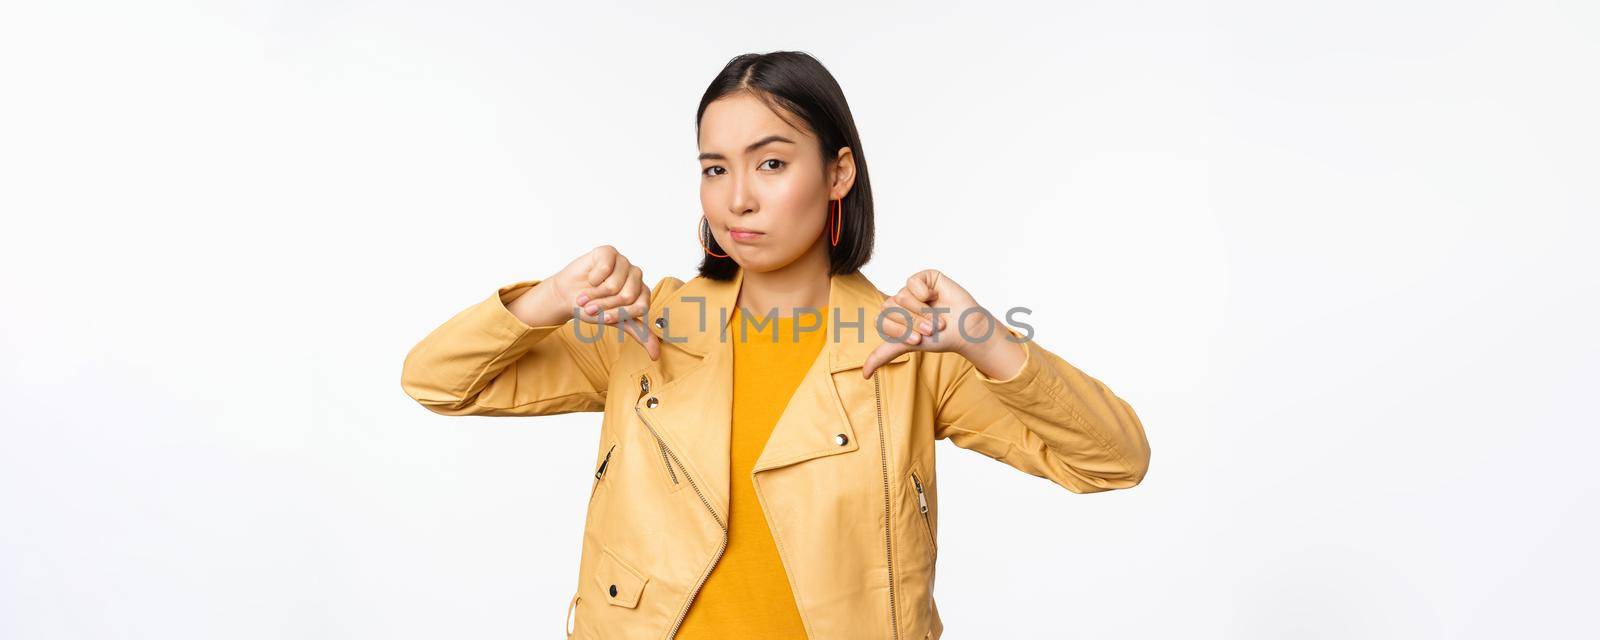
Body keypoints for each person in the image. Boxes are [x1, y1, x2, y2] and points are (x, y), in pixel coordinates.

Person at [400, 50, 1151, 640]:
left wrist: (986, 338)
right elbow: (435, 380)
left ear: (837, 173)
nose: (738, 199)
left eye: (771, 162)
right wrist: (551, 298)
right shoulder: (647, 326)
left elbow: (1113, 460)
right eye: (714, 169)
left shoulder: (910, 349)